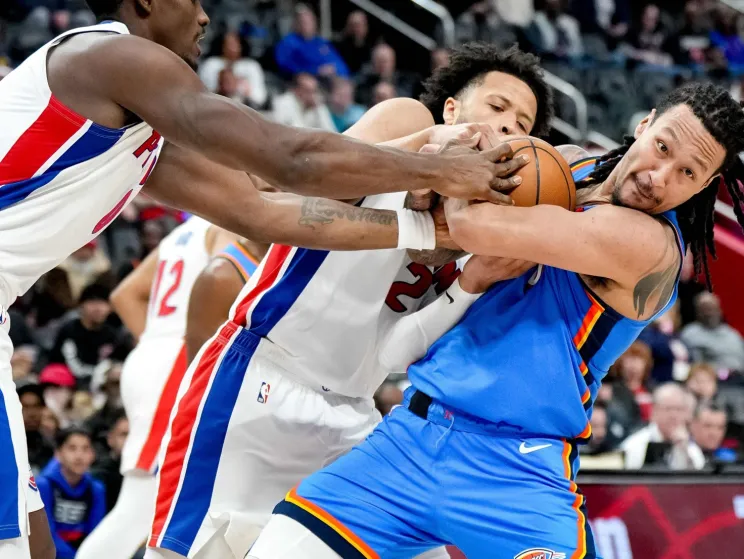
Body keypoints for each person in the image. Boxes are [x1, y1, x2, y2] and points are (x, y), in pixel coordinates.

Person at [0, 0, 526, 552]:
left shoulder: (139, 135)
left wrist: (425, 231)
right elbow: (288, 158)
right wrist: (437, 167)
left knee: (33, 541)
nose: (205, 16)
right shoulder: (112, 55)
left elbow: (262, 210)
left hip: (339, 397)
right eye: (193, 0)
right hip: (260, 376)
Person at [246, 82, 744, 558]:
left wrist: (446, 170)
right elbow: (438, 234)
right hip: (413, 436)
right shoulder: (569, 167)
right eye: (663, 147)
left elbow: (472, 224)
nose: (660, 177)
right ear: (645, 123)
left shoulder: (650, 247)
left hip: (517, 470)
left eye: (688, 174)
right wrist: (431, 184)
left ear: (706, 186)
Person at [147, 42, 554, 559]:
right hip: (262, 382)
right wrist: (424, 161)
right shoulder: (407, 119)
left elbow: (392, 356)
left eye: (523, 124)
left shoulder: (488, 230)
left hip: (355, 416)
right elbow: (309, 180)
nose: (507, 129)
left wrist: (468, 283)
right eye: (497, 108)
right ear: (451, 109)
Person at [74, 218, 242, 559]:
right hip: (178, 360)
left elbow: (124, 295)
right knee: (141, 503)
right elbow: (232, 296)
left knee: (164, 497)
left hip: (155, 355)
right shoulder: (229, 223)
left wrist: (156, 341)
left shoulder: (184, 231)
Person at [36, 428, 106, 559]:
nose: (79, 456)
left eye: (85, 449)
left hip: (83, 552)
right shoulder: (44, 485)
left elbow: (95, 533)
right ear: (58, 453)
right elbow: (46, 534)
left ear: (93, 455)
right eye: (72, 448)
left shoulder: (96, 489)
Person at [680, 292, 744, 373]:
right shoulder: (690, 334)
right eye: (705, 309)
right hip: (712, 380)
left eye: (712, 308)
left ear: (719, 310)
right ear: (698, 312)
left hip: (742, 378)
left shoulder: (732, 334)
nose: (710, 313)